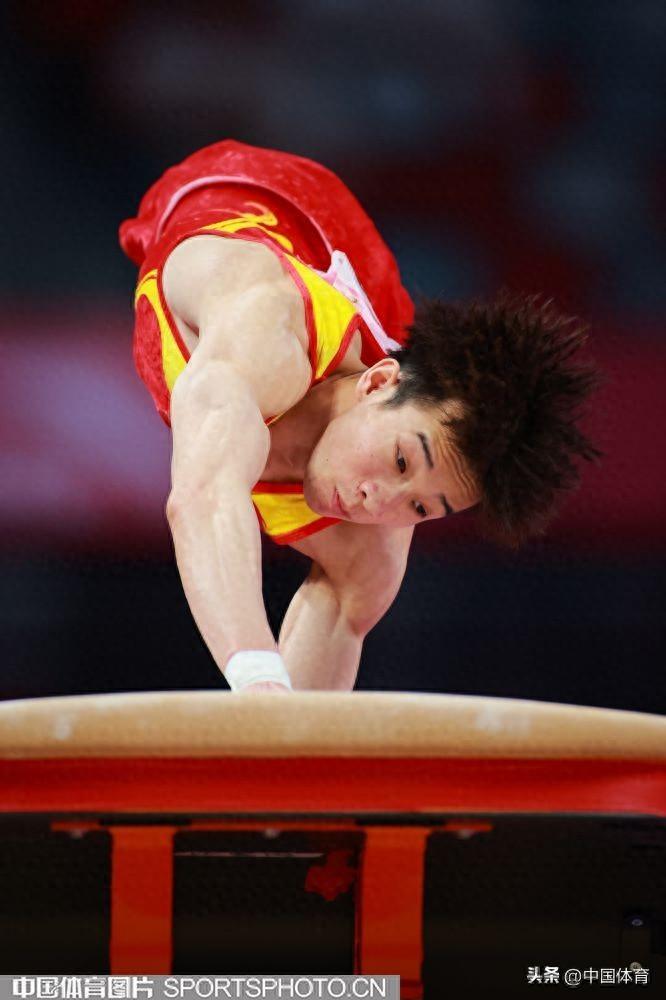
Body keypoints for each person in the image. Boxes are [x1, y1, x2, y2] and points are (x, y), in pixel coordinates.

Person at [119, 139, 601, 694]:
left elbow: (305, 724)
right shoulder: (264, 328)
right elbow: (201, 498)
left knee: (364, 571)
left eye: (422, 507)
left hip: (376, 327)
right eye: (400, 463)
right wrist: (256, 677)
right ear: (376, 381)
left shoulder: (376, 543)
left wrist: (275, 728)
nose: (379, 501)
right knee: (231, 442)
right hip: (249, 194)